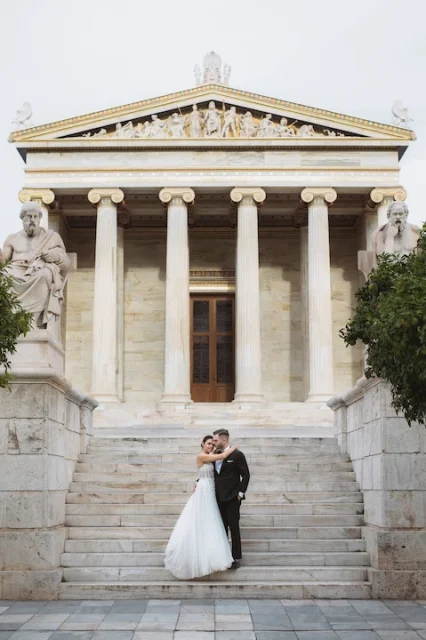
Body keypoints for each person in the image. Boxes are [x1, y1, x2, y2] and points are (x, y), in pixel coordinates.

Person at [164, 435, 235, 579]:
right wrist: (233, 448)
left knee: (211, 520)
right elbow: (223, 455)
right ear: (202, 444)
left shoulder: (209, 455)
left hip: (210, 488)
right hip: (204, 490)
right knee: (203, 517)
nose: (210, 446)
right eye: (208, 443)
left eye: (211, 444)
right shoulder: (201, 456)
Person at [1, 202, 70, 329]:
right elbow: (3, 261)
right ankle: (10, 320)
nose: (32, 220)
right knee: (3, 275)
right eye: (29, 217)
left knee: (45, 274)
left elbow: (66, 263)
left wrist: (54, 257)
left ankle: (32, 320)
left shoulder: (52, 237)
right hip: (15, 270)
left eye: (35, 217)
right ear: (22, 219)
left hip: (38, 270)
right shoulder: (12, 238)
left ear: (39, 218)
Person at [212, 429, 250, 569]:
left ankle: (235, 557)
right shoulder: (214, 455)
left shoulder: (237, 455)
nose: (214, 443)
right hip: (218, 497)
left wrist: (240, 494)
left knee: (233, 527)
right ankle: (222, 556)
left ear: (223, 440)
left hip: (232, 497)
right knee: (221, 528)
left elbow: (245, 475)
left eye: (215, 440)